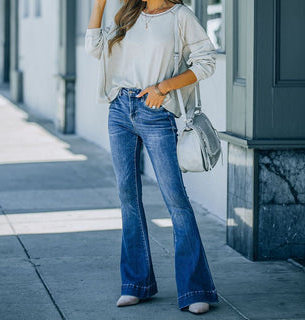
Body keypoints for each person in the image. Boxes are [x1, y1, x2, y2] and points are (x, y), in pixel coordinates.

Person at [85, 0, 219, 315]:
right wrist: (99, 5)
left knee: (176, 199)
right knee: (127, 197)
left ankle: (196, 289)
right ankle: (135, 284)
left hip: (156, 111)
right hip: (119, 109)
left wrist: (163, 87)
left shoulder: (180, 16)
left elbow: (206, 62)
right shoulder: (127, 13)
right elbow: (95, 49)